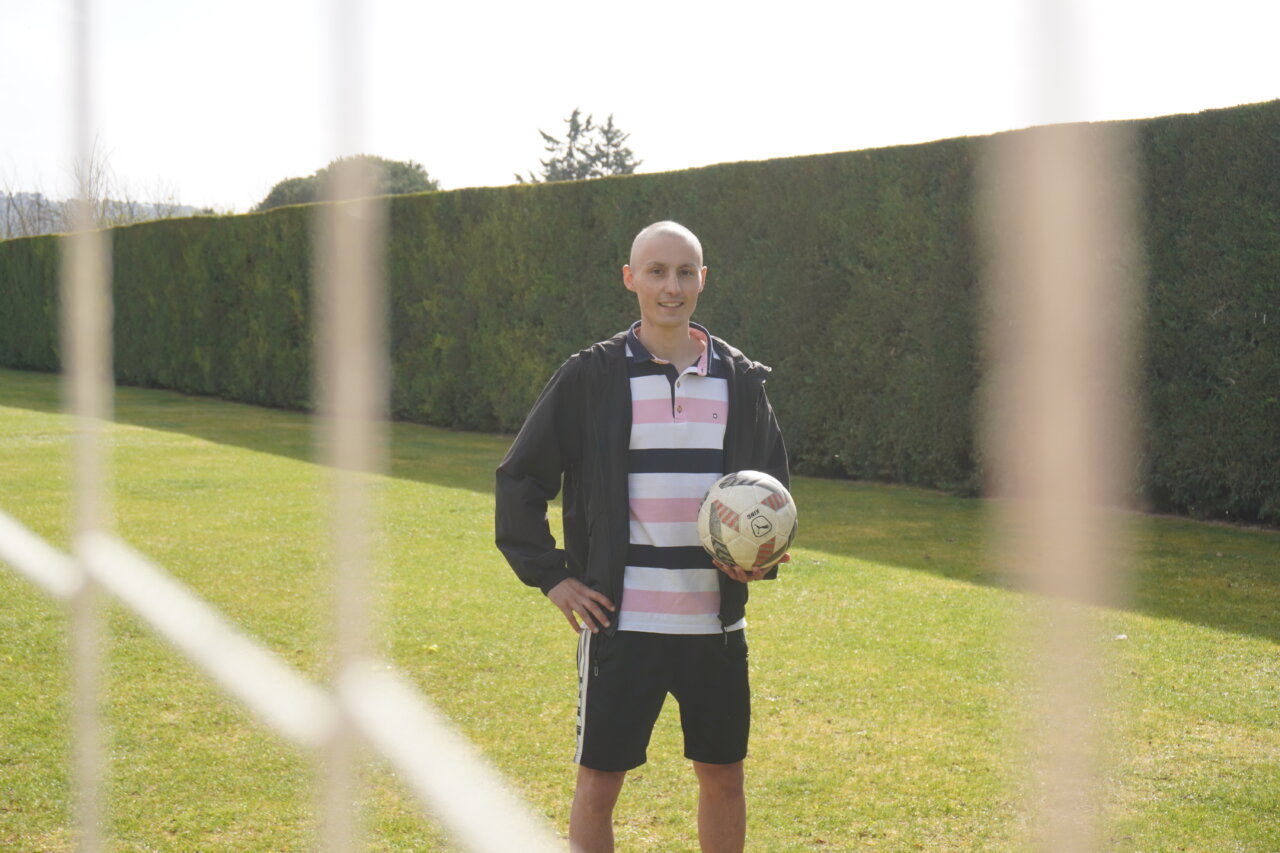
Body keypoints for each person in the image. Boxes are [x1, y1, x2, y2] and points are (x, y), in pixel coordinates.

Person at [495, 220, 789, 853]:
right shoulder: (591, 378)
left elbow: (771, 493)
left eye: (685, 272)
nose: (671, 286)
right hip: (622, 625)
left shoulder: (738, 380)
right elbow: (520, 477)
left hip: (714, 627)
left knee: (724, 780)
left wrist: (759, 563)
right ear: (630, 279)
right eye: (656, 271)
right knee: (598, 787)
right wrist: (553, 575)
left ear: (703, 280)